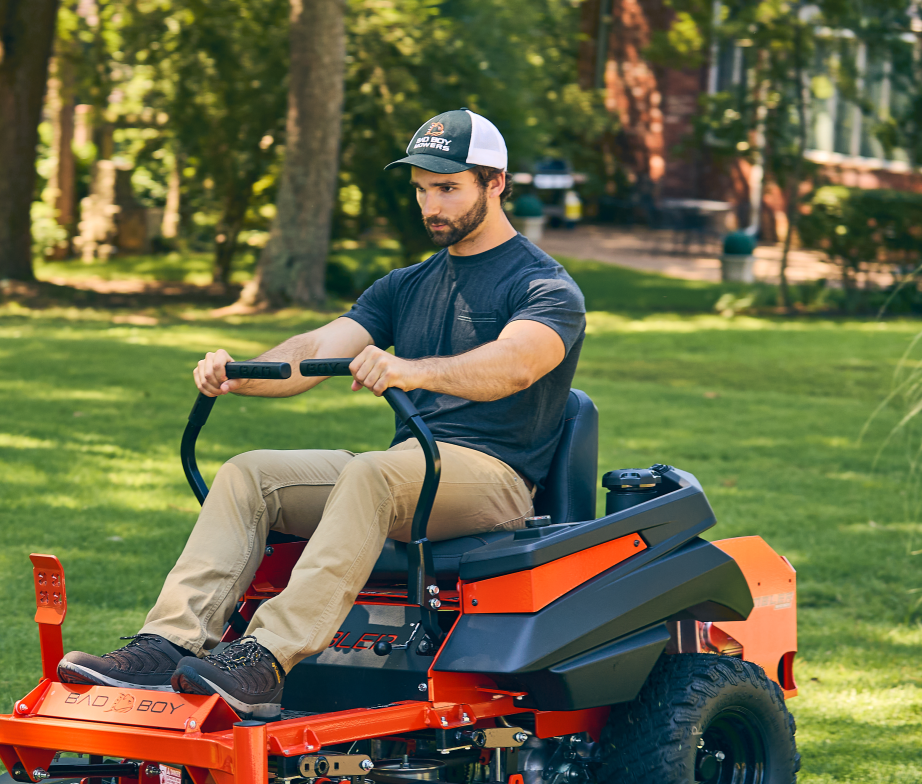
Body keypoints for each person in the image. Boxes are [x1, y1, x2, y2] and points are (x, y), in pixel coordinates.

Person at [58, 109, 587, 718]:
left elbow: (517, 363)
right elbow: (314, 352)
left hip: (497, 479)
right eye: (421, 189)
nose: (430, 204)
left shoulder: (544, 285)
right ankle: (169, 640)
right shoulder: (405, 285)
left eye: (447, 187)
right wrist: (239, 373)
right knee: (250, 474)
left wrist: (413, 370)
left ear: (494, 184)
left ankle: (266, 658)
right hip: (412, 467)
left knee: (372, 474)